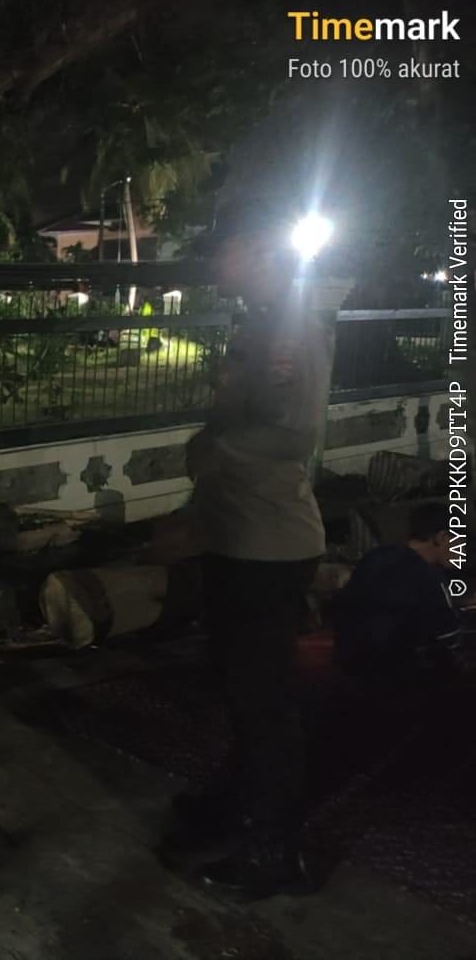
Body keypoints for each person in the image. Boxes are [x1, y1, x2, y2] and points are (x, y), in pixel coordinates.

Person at [176, 196, 334, 902]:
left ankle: (274, 851)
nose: (217, 259)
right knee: (240, 692)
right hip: (238, 536)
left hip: (270, 544)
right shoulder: (261, 321)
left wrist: (216, 451)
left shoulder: (293, 326)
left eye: (228, 246)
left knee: (265, 703)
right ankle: (240, 805)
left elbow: (295, 434)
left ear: (262, 252)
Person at [333, 502, 465, 674]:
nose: (461, 553)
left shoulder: (375, 557)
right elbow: (448, 639)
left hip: (349, 660)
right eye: (460, 543)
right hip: (393, 670)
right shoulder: (427, 575)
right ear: (442, 538)